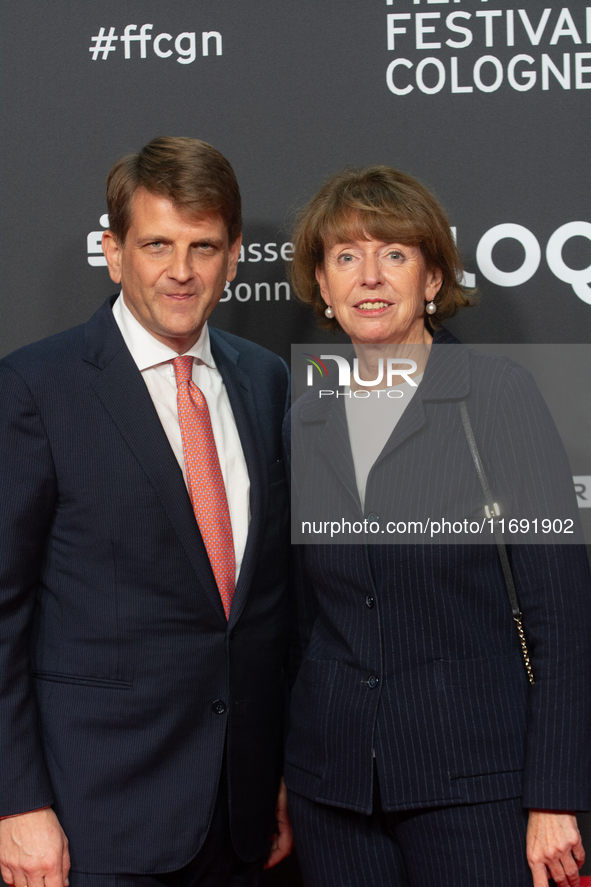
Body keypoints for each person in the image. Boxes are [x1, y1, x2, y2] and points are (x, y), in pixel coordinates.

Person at [284, 166, 591, 887]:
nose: (370, 276)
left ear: (430, 279)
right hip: (334, 797)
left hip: (477, 789)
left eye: (393, 253)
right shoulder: (306, 418)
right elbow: (302, 622)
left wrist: (554, 796)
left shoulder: (496, 397)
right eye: (345, 256)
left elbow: (562, 614)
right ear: (322, 288)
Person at [0, 137, 293, 887]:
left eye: (204, 246)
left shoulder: (264, 380)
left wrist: (278, 773)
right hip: (95, 819)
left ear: (233, 256)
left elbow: (268, 606)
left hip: (243, 819)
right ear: (113, 251)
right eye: (156, 243)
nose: (180, 271)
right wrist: (16, 804)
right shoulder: (36, 387)